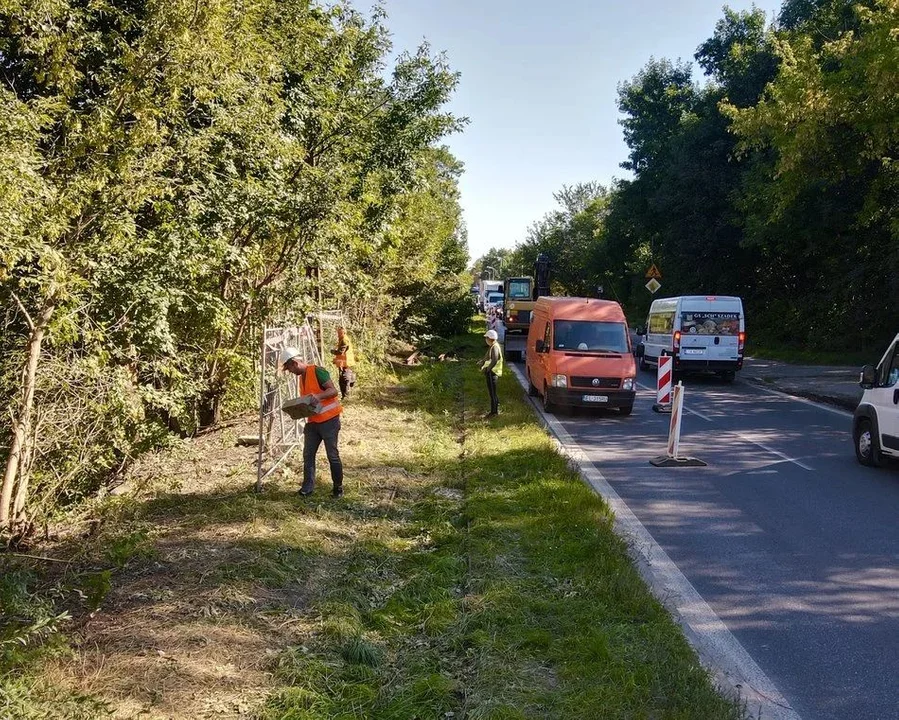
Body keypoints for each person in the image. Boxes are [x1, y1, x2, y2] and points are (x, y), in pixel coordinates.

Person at [280, 347, 343, 498]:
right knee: (308, 455)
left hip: (329, 421)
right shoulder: (302, 377)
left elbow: (333, 391)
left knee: (332, 455)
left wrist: (319, 396)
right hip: (313, 422)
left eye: (289, 368)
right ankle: (307, 489)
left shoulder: (317, 371)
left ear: (295, 362)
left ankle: (338, 488)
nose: (290, 372)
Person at [481, 329, 503, 418]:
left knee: (492, 393)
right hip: (492, 372)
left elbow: (494, 360)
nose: (486, 340)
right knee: (493, 393)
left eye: (486, 338)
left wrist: (488, 369)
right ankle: (494, 410)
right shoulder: (493, 346)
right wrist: (482, 362)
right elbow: (488, 358)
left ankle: (494, 412)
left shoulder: (495, 347)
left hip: (492, 373)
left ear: (490, 338)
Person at [331, 326, 356, 400]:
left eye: (340, 333)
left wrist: (332, 351)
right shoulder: (342, 339)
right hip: (343, 363)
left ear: (344, 332)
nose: (338, 334)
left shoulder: (344, 340)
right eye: (338, 333)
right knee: (343, 379)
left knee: (344, 379)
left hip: (345, 363)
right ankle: (345, 395)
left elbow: (340, 352)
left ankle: (346, 396)